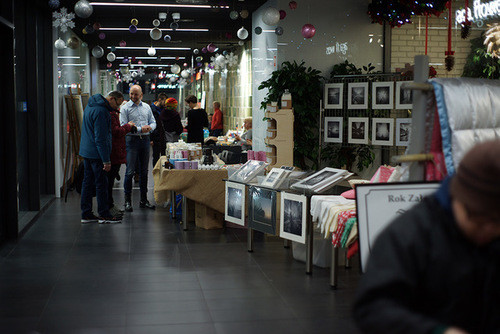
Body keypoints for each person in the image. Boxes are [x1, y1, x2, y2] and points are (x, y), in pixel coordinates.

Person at [353, 140, 500, 334]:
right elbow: (372, 309)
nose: (490, 231)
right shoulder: (408, 235)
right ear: (459, 198)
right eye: (481, 222)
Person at [79, 91, 124, 224]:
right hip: (97, 154)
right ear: (111, 99)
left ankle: (86, 214)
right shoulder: (102, 112)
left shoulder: (90, 105)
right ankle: (104, 214)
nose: (117, 108)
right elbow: (101, 138)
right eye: (117, 104)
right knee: (101, 184)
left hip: (86, 151)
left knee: (87, 183)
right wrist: (106, 160)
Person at [120, 84, 157, 212]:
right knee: (130, 171)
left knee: (144, 172)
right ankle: (127, 202)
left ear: (141, 95)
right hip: (131, 141)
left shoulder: (147, 107)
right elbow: (123, 126)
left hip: (145, 141)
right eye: (131, 93)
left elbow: (153, 122)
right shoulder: (125, 108)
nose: (133, 96)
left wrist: (150, 127)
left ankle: (143, 200)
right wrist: (142, 129)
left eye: (136, 94)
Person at [107, 103, 136, 217]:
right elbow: (117, 131)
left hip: (114, 152)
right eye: (118, 103)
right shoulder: (110, 114)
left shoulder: (111, 113)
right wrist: (128, 126)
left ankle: (110, 206)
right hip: (112, 152)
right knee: (107, 183)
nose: (118, 106)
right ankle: (108, 208)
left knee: (109, 182)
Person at [150, 93, 167, 168]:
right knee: (156, 156)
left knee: (164, 156)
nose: (165, 104)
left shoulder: (164, 110)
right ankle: (155, 171)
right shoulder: (151, 109)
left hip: (163, 135)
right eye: (164, 101)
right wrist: (151, 138)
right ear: (160, 100)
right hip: (155, 136)